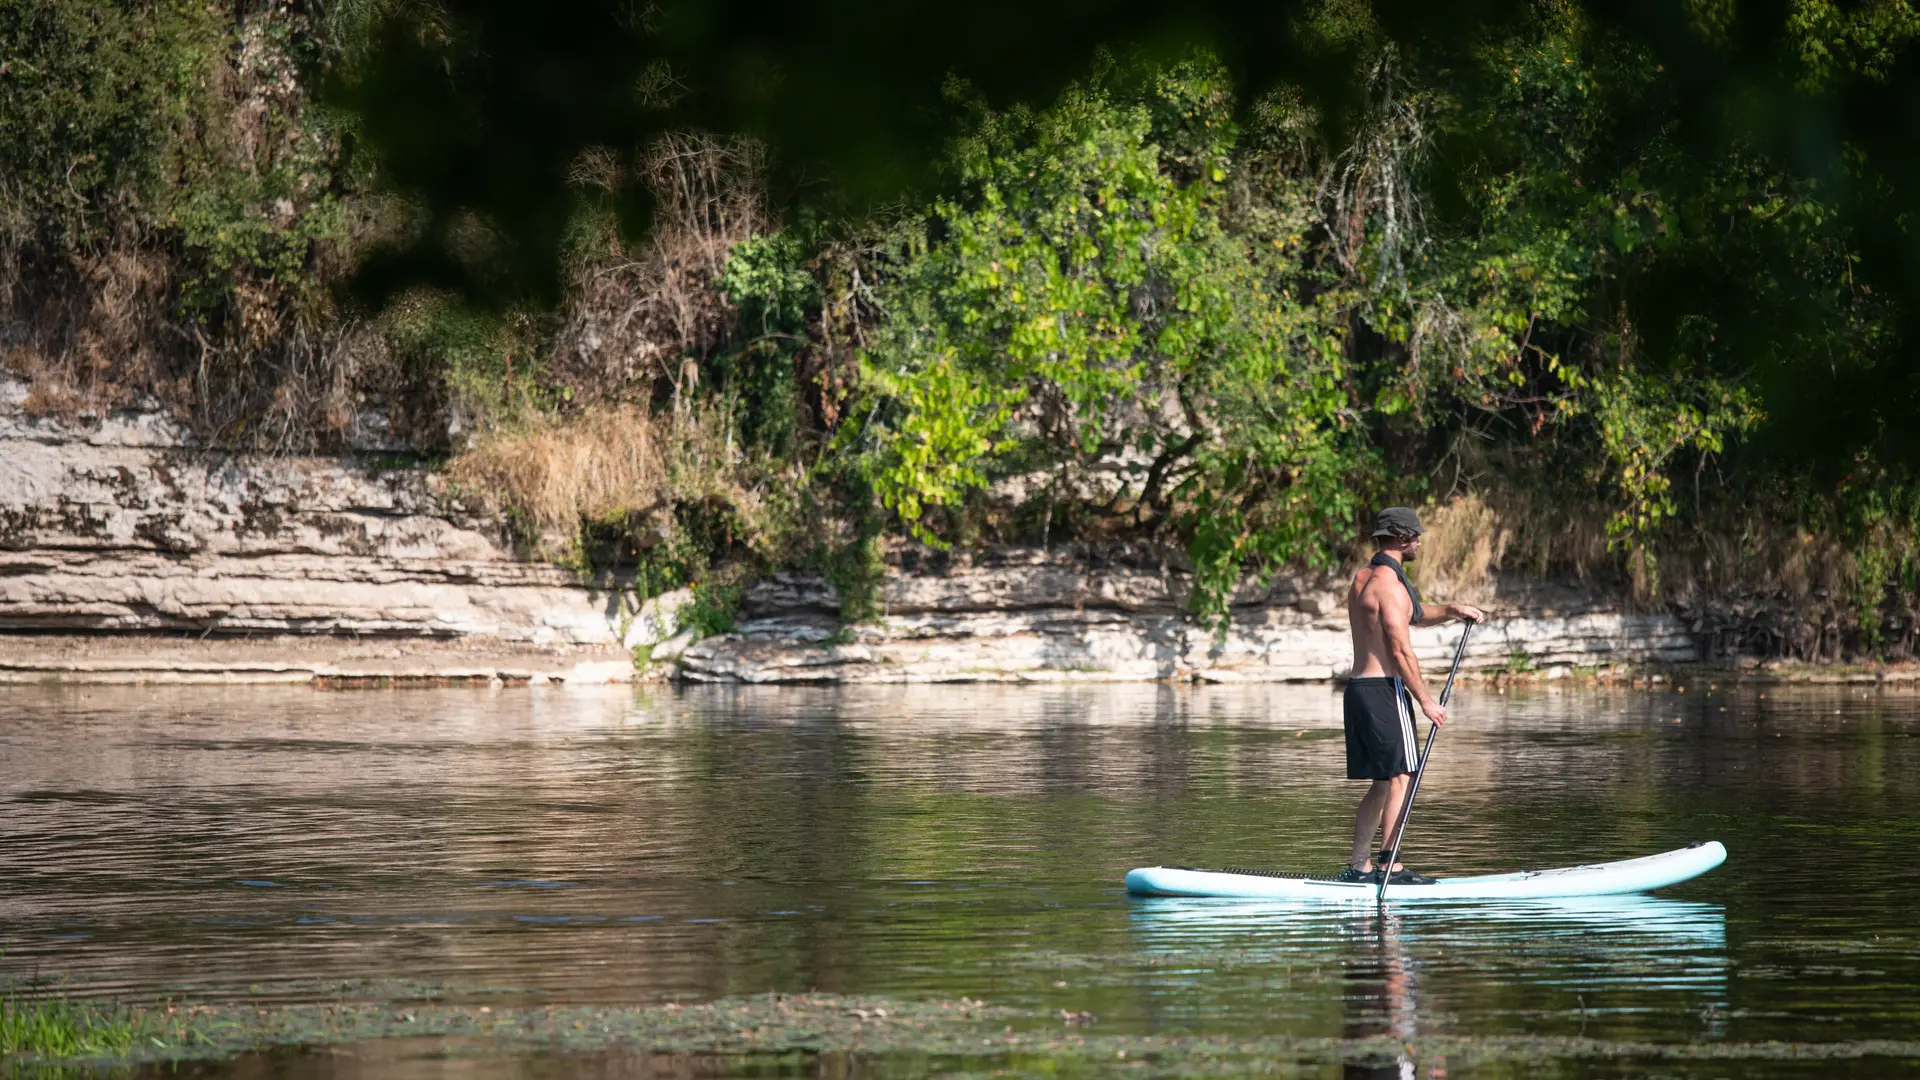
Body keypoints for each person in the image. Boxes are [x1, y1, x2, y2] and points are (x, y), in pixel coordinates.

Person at [1337, 506, 1483, 885]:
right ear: (1402, 538)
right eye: (1415, 536)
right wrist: (1427, 701)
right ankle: (1390, 865)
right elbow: (1401, 650)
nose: (1419, 541)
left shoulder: (1363, 578)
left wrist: (1451, 610)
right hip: (1384, 691)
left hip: (1356, 691)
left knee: (1383, 781)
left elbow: (1413, 614)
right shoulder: (1392, 587)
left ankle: (1358, 866)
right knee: (1405, 774)